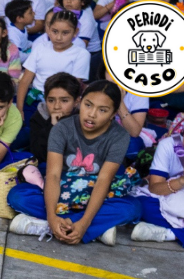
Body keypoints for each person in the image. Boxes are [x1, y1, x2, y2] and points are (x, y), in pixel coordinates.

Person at [8, 80, 139, 246]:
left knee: (132, 208)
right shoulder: (63, 128)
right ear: (80, 102)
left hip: (97, 193)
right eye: (88, 105)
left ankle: (54, 227)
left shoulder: (119, 136)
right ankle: (94, 229)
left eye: (103, 110)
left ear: (113, 114)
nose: (92, 114)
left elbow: (103, 180)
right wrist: (51, 215)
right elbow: (53, 175)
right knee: (18, 196)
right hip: (63, 190)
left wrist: (84, 223)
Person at [132, 113, 184, 247]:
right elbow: (154, 188)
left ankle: (168, 234)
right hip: (164, 199)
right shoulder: (169, 145)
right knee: (141, 205)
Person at [16, 11, 89, 115]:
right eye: (55, 31)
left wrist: (57, 106)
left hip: (62, 104)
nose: (59, 37)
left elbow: (74, 87)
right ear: (48, 29)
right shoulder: (40, 48)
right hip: (34, 100)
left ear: (75, 32)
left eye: (65, 33)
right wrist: (19, 108)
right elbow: (25, 81)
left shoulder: (81, 54)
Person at [28, 72, 81, 162]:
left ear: (76, 101)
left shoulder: (83, 119)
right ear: (45, 99)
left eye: (64, 101)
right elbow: (39, 155)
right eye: (51, 100)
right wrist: (52, 126)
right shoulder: (39, 117)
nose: (56, 106)